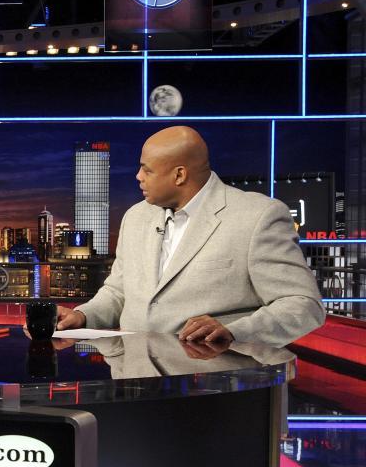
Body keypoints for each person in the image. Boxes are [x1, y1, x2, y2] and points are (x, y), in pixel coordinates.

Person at [56, 126, 325, 347]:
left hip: (213, 386)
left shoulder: (257, 216)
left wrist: (234, 331)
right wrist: (82, 315)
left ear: (179, 175)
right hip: (133, 384)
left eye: (147, 170)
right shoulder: (136, 217)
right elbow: (118, 292)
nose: (138, 177)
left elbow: (303, 305)